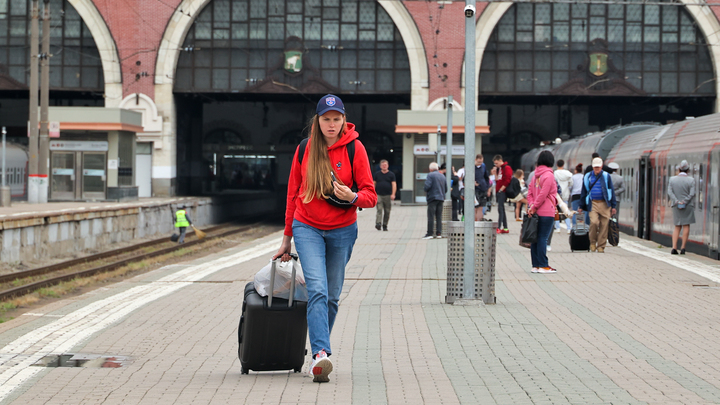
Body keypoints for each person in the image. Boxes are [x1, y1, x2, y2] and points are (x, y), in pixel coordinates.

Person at [273, 94, 377, 383]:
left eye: (336, 119)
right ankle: (320, 354)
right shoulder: (305, 149)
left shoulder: (356, 149)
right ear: (317, 121)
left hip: (343, 230)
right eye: (325, 119)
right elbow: (293, 194)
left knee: (331, 296)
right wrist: (287, 239)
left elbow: (371, 196)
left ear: (344, 120)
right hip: (307, 226)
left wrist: (353, 196)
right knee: (317, 289)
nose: (331, 124)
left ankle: (317, 351)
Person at [527, 150, 558, 274]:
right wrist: (535, 206)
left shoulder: (535, 175)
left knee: (535, 238)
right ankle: (543, 265)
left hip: (535, 212)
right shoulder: (549, 175)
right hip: (546, 211)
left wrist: (531, 206)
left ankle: (535, 265)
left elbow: (529, 193)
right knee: (542, 238)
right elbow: (543, 194)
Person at [578, 157, 617, 253]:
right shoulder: (587, 177)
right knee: (594, 222)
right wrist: (581, 206)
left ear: (601, 167)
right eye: (595, 167)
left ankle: (601, 246)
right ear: (592, 167)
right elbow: (584, 191)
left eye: (598, 167)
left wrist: (613, 206)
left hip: (605, 203)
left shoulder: (606, 176)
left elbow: (611, 190)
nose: (597, 169)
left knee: (604, 224)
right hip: (593, 203)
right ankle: (592, 242)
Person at [668, 160, 695, 255]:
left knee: (677, 226)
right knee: (686, 225)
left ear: (679, 169)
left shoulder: (672, 179)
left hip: (676, 206)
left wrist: (677, 201)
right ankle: (683, 248)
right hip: (687, 206)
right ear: (688, 170)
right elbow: (692, 194)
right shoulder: (691, 180)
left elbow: (670, 192)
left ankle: (674, 247)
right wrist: (684, 201)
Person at [424, 162, 447, 239]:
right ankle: (439, 233)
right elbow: (446, 188)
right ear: (437, 168)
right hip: (441, 198)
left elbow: (427, 186)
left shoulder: (430, 175)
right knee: (439, 216)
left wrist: (425, 189)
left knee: (431, 216)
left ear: (430, 169)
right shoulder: (442, 176)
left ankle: (430, 233)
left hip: (432, 198)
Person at [373, 159, 396, 231]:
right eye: (383, 165)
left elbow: (394, 184)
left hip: (388, 195)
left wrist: (393, 194)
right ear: (380, 166)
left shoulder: (391, 175)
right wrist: (373, 192)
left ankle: (385, 224)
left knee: (387, 211)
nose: (384, 166)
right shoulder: (377, 174)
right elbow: (374, 184)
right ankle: (378, 223)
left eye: (385, 165)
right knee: (379, 209)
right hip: (379, 194)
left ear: (388, 166)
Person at [493, 155, 513, 234]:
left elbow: (508, 179)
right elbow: (498, 180)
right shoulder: (499, 169)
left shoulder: (506, 168)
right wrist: (495, 173)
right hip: (499, 190)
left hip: (503, 191)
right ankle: (505, 227)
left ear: (500, 160)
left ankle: (499, 226)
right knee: (502, 209)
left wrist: (501, 189)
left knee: (500, 209)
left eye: (497, 163)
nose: (496, 165)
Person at [554, 159, 573, 233]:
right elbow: (571, 184)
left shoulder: (555, 173)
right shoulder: (568, 173)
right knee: (566, 210)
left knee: (556, 211)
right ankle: (568, 228)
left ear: (557, 165)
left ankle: (558, 227)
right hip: (565, 194)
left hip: (557, 195)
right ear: (563, 165)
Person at [474, 155, 490, 221]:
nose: (480, 163)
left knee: (481, 207)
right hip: (475, 190)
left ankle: (479, 221)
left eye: (481, 162)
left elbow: (486, 177)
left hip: (483, 188)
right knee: (475, 207)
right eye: (478, 162)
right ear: (476, 160)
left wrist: (487, 187)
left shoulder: (483, 166)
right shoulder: (472, 167)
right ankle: (474, 221)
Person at [570, 164, 584, 228]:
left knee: (574, 212)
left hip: (575, 196)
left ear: (576, 171)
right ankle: (580, 227)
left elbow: (570, 187)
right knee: (581, 213)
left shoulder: (573, 177)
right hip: (582, 196)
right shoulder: (583, 176)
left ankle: (574, 228)